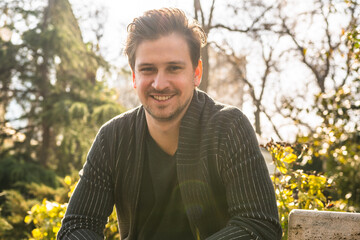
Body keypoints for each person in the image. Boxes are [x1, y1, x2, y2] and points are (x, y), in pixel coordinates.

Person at [57, 8, 282, 240]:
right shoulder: (112, 138)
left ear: (197, 72)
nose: (160, 83)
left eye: (174, 68)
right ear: (134, 77)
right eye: (148, 69)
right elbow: (76, 225)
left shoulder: (228, 128)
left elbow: (259, 226)